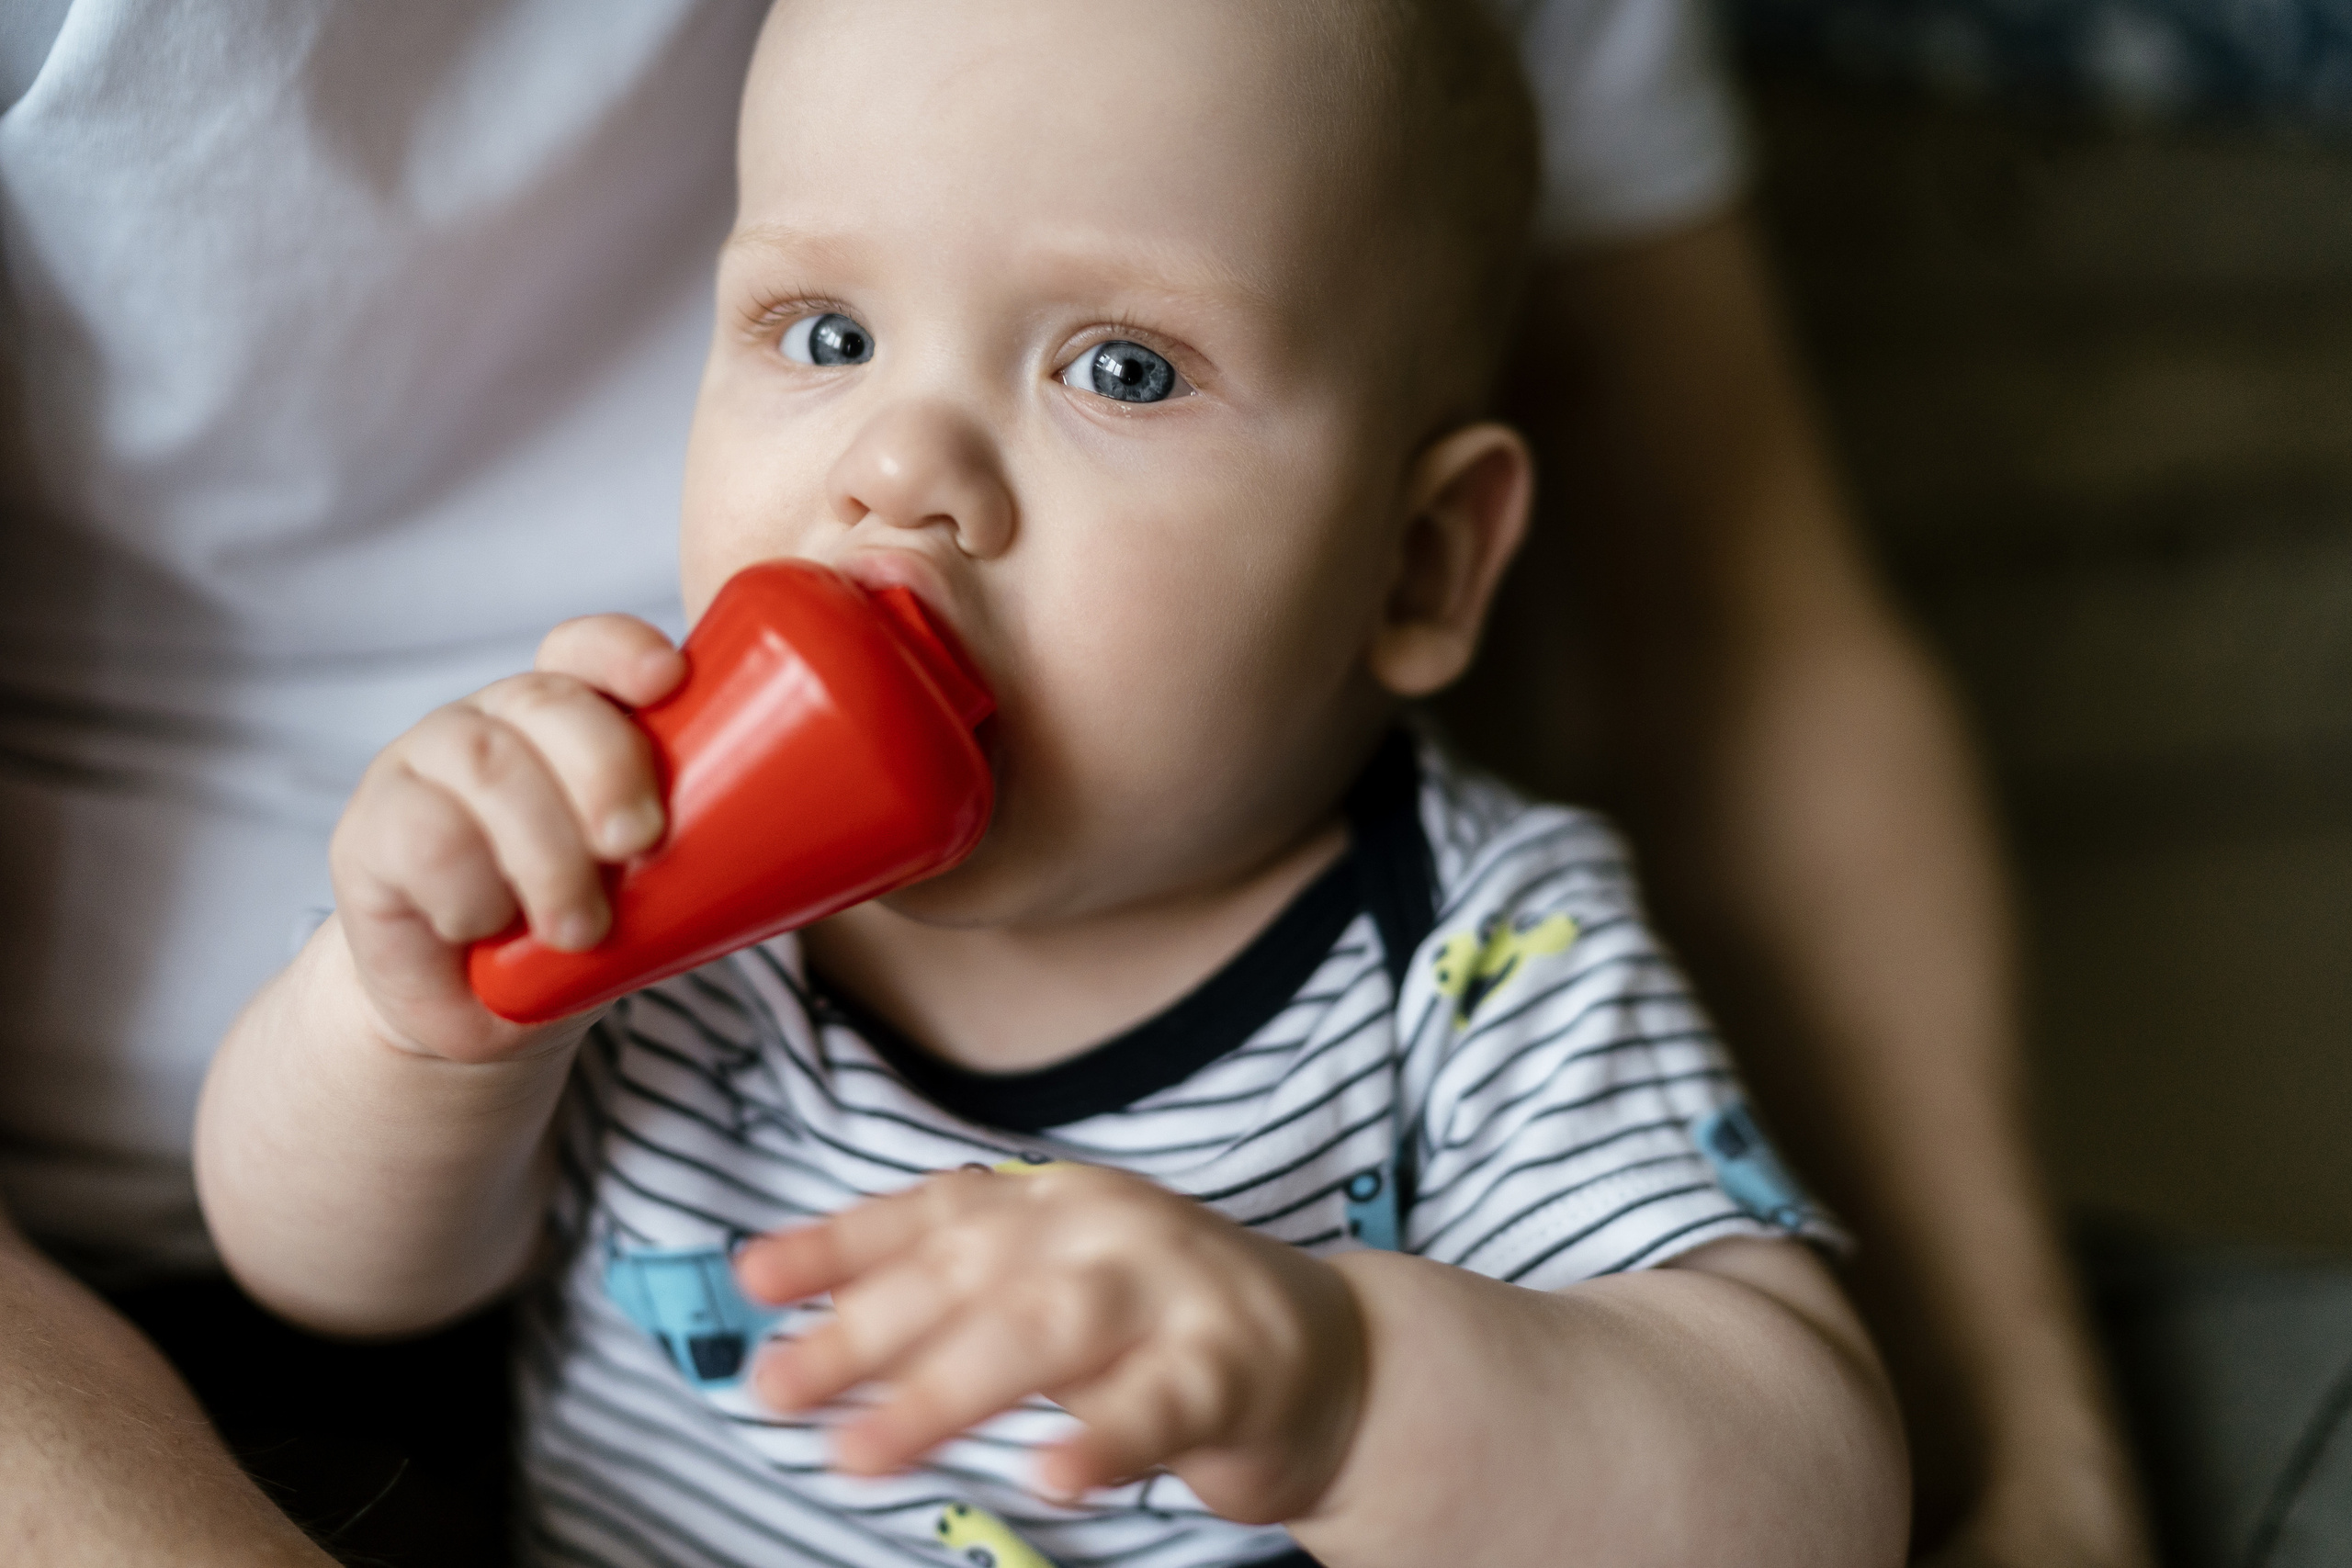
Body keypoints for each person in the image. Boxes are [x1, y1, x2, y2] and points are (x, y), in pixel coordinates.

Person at [0, 2, 2143, 1564]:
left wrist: (1348, 1380)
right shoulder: (646, 839)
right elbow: (338, 1274)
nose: (898, 470)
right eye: (820, 333)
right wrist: (414, 1011)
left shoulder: (1470, 948)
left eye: (1117, 367)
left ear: (1415, 562)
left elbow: (1797, 1486)